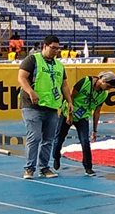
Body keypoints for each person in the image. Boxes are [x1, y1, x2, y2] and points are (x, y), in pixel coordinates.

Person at [17, 35, 72, 180]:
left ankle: (44, 167)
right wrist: (30, 91)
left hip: (51, 106)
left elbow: (64, 85)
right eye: (52, 48)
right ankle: (29, 168)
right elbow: (21, 77)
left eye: (57, 48)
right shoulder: (33, 60)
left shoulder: (59, 66)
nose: (55, 51)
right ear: (45, 46)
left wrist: (69, 102)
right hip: (32, 105)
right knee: (34, 137)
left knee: (49, 139)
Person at [57, 70, 115, 176]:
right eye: (108, 86)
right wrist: (69, 114)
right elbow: (70, 97)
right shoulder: (85, 82)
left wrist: (95, 130)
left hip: (83, 116)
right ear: (102, 80)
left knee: (85, 141)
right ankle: (56, 156)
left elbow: (97, 112)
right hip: (68, 112)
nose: (109, 89)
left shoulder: (104, 94)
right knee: (59, 138)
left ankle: (88, 167)